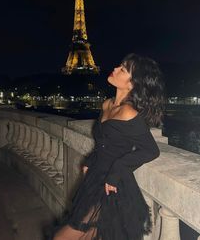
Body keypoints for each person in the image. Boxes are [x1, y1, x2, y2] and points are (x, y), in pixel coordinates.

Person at [53, 53, 165, 240]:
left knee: (65, 236)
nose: (115, 69)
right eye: (119, 65)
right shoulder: (107, 105)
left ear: (132, 84)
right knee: (89, 233)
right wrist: (90, 160)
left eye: (122, 69)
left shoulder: (129, 113)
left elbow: (151, 150)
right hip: (96, 178)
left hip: (111, 185)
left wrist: (118, 170)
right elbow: (104, 143)